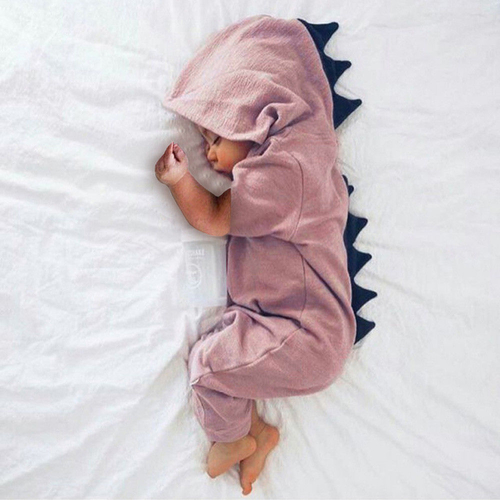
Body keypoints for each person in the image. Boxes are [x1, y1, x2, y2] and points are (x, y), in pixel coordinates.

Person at [155, 14, 357, 495]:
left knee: (208, 368)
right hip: (287, 324)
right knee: (219, 357)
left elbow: (212, 216)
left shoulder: (287, 172)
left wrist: (180, 181)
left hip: (305, 335)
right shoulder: (301, 162)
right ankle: (257, 435)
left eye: (216, 139)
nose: (209, 155)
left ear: (256, 120)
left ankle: (232, 439)